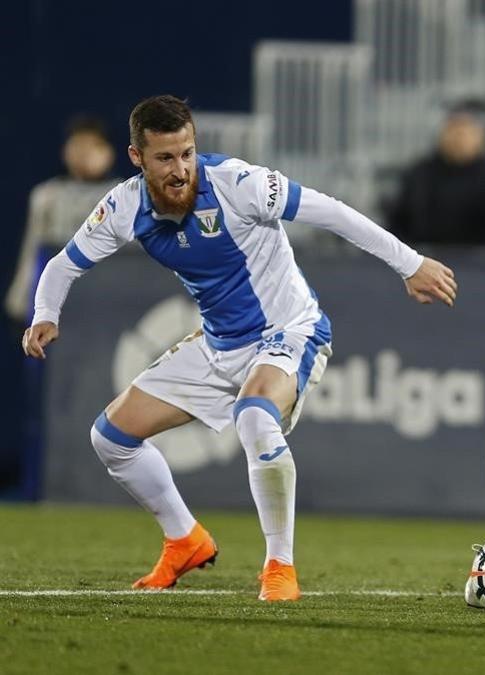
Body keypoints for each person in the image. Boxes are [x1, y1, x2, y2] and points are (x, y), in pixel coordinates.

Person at [21, 96, 457, 601]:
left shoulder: (239, 183)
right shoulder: (125, 206)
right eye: (165, 158)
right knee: (111, 437)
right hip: (218, 343)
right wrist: (45, 314)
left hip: (289, 330)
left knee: (254, 417)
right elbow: (62, 265)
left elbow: (332, 212)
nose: (181, 169)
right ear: (137, 158)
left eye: (187, 153)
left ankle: (279, 567)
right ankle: (184, 539)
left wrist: (408, 263)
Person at [8, 117, 120, 323]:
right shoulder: (46, 195)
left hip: (107, 301)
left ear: (108, 152)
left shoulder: (124, 195)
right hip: (56, 303)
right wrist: (20, 301)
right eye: (77, 145)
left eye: (92, 145)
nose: (83, 153)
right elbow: (32, 249)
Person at [386, 110, 485, 245]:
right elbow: (398, 221)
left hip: (481, 259)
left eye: (465, 132)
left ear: (480, 138)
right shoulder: (419, 174)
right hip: (424, 256)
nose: (458, 139)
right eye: (452, 130)